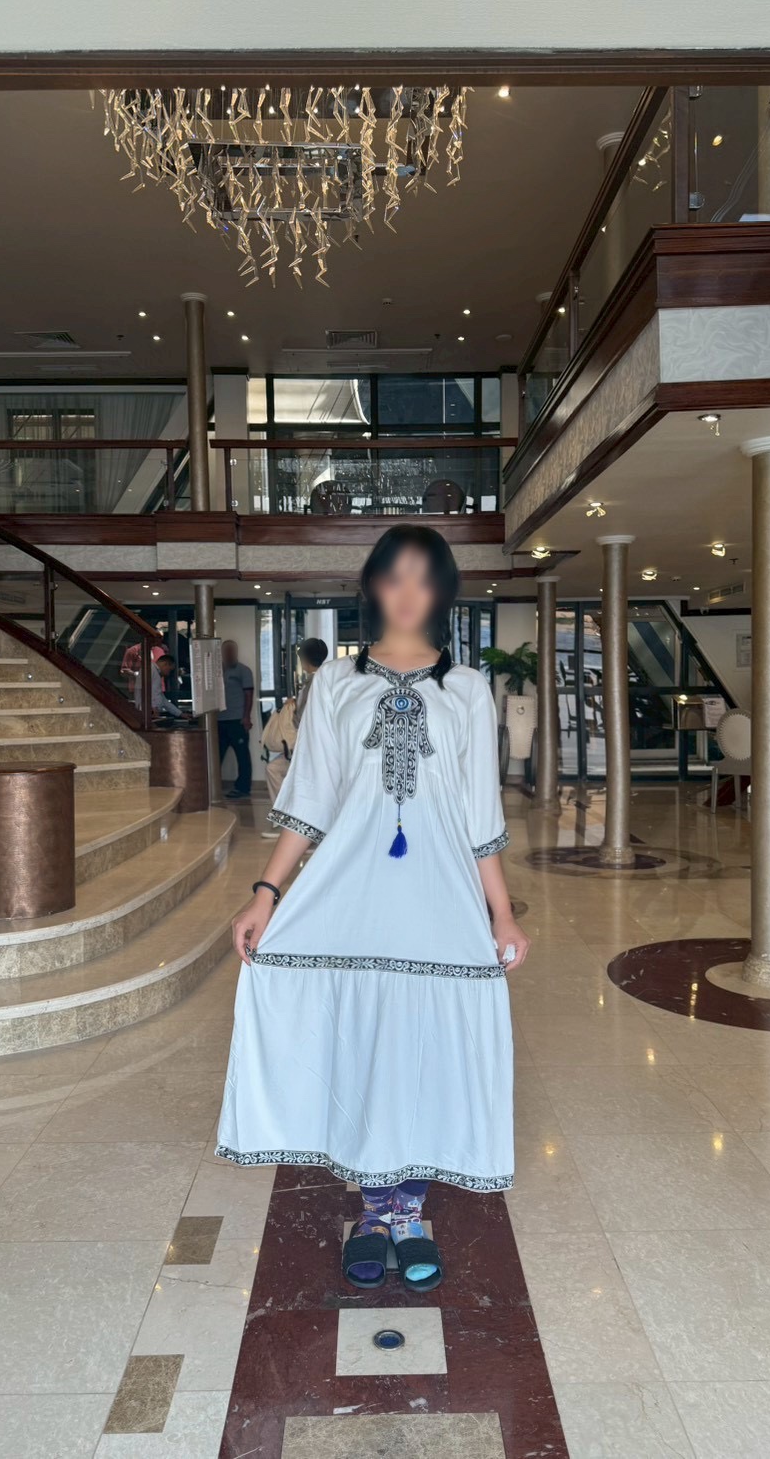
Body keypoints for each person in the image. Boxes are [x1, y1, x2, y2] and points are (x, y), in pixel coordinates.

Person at [217, 525, 529, 1293]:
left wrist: (501, 912)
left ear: (442, 590)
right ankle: (373, 1210)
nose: (407, 592)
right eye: (394, 576)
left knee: (424, 1045)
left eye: (424, 577)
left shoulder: (467, 687)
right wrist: (266, 892)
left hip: (439, 896)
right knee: (365, 1040)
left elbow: (479, 811)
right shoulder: (337, 683)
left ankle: (408, 1213)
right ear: (374, 587)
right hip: (352, 895)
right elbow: (311, 799)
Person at [261, 636, 329, 838]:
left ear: (304, 659)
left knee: (282, 773)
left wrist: (293, 711)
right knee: (275, 770)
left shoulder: (315, 682)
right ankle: (288, 821)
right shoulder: (323, 679)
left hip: (309, 745)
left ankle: (294, 826)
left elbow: (307, 716)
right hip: (311, 745)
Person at [218, 639, 255, 800]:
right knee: (216, 756)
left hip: (237, 720)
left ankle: (243, 788)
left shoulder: (244, 671)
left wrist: (246, 717)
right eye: (226, 651)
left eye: (232, 650)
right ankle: (213, 786)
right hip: (219, 720)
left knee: (242, 756)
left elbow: (249, 695)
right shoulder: (217, 671)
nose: (229, 654)